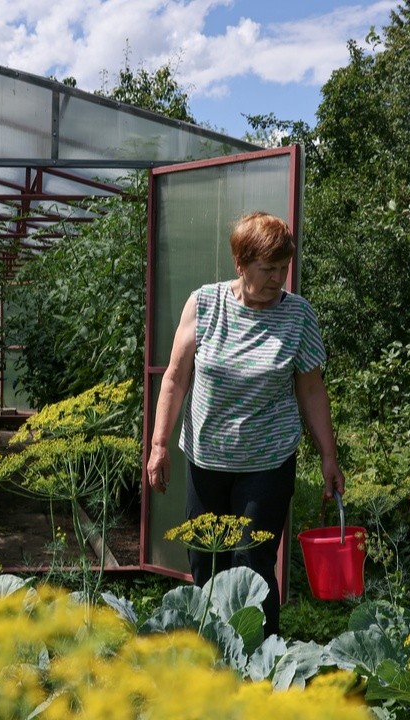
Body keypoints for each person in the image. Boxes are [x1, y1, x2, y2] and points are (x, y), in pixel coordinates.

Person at [146, 211, 344, 637]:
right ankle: (209, 654)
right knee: (203, 560)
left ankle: (258, 662)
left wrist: (329, 455)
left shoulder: (298, 316)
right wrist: (159, 444)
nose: (278, 279)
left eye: (283, 268)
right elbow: (177, 378)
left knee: (252, 564)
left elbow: (311, 390)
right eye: (268, 269)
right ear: (241, 264)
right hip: (206, 460)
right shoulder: (204, 304)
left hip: (267, 465)